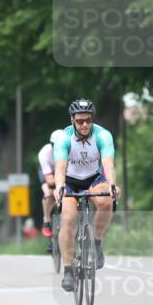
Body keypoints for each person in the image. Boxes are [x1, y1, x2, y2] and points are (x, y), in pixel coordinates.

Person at [54, 99, 119, 292]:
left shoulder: (103, 135)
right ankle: (67, 270)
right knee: (68, 218)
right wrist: (59, 187)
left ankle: (97, 241)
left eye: (88, 120)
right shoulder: (63, 138)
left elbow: (108, 164)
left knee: (106, 201)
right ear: (72, 120)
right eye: (80, 121)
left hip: (94, 178)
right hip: (70, 179)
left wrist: (113, 184)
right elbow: (60, 167)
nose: (84, 125)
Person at [37, 130, 66, 252]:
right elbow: (49, 181)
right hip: (49, 174)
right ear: (52, 145)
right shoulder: (44, 153)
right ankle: (47, 219)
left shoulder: (70, 151)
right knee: (48, 194)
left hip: (64, 173)